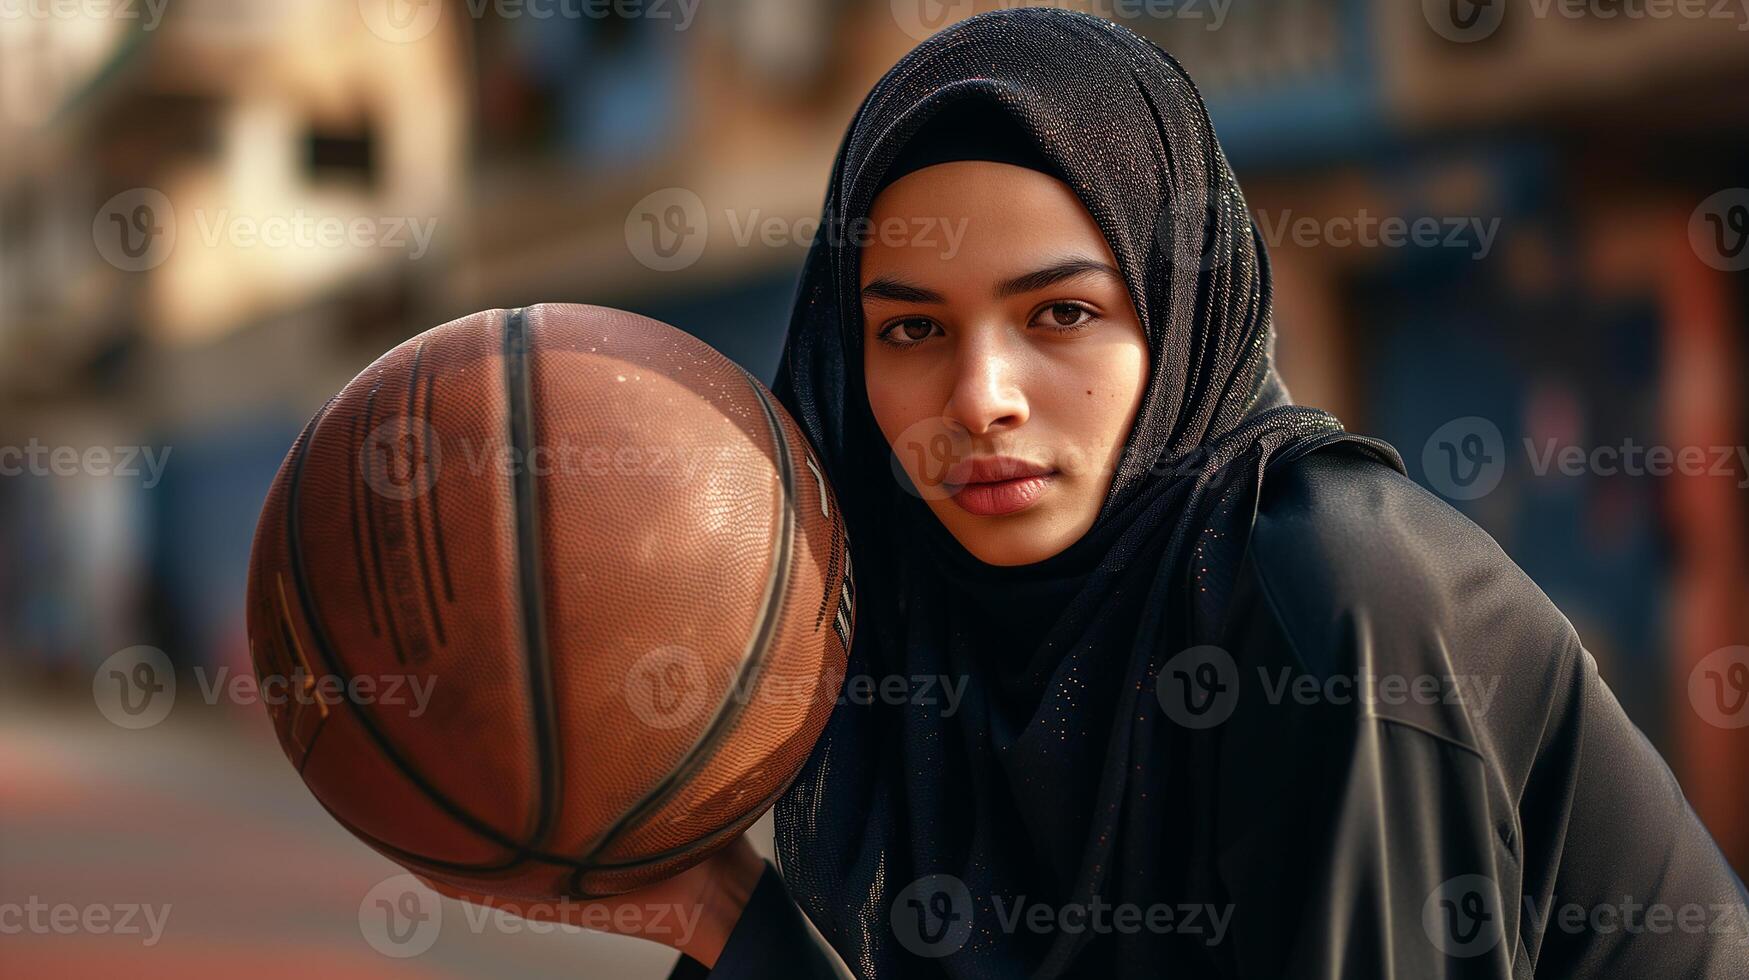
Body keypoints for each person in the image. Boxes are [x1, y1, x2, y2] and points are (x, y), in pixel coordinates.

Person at [437, 9, 1749, 978]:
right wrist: (708, 905)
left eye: (1058, 312)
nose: (981, 395)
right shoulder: (913, 642)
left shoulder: (1333, 601)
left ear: (1178, 320)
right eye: (906, 331)